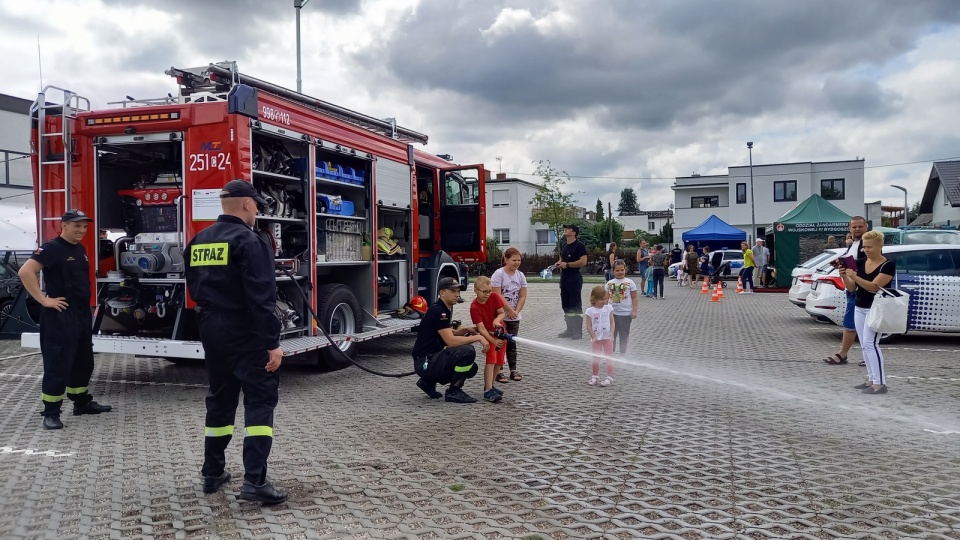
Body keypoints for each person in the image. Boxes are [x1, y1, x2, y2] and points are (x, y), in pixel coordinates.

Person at [184, 179, 286, 504]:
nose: (257, 210)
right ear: (246, 204)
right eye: (256, 204)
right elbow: (262, 299)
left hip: (211, 328)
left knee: (220, 399)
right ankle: (255, 482)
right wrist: (272, 343)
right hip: (246, 331)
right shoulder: (250, 241)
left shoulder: (198, 240)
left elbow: (192, 287)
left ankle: (212, 472)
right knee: (260, 401)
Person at [18, 209, 112, 431]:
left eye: (84, 226)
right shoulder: (52, 248)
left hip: (80, 314)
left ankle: (81, 403)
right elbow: (25, 272)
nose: (81, 230)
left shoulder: (80, 249)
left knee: (83, 361)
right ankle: (51, 413)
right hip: (59, 315)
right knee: (58, 363)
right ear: (64, 225)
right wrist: (43, 299)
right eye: (76, 225)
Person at [412, 276, 486, 403]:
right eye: (453, 291)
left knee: (471, 367)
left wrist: (464, 331)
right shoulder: (439, 311)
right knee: (467, 351)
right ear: (442, 292)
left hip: (426, 361)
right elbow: (450, 341)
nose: (457, 294)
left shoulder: (443, 308)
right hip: (425, 362)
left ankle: (427, 382)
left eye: (458, 291)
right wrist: (478, 337)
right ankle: (453, 391)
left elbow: (444, 332)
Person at [841, 230, 894, 394]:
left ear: (880, 246)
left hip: (876, 308)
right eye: (864, 247)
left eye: (870, 246)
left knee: (872, 344)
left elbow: (873, 287)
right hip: (860, 306)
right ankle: (871, 379)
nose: (866, 250)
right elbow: (852, 288)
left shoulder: (888, 265)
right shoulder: (861, 262)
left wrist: (854, 277)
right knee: (864, 345)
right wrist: (844, 276)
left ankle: (880, 383)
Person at [821, 216, 868, 366]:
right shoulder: (853, 244)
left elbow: (867, 263)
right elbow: (852, 263)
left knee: (858, 324)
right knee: (852, 323)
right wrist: (841, 263)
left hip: (862, 288)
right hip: (852, 287)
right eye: (854, 227)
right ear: (849, 229)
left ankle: (849, 355)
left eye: (860, 226)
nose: (857, 229)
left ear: (866, 227)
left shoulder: (867, 244)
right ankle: (846, 354)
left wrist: (848, 267)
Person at [491, 247, 527, 383]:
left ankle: (513, 369)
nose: (517, 263)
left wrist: (516, 311)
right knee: (500, 343)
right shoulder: (498, 274)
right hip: (500, 316)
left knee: (512, 343)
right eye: (514, 260)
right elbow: (497, 294)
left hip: (514, 316)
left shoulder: (521, 276)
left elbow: (522, 296)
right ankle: (499, 371)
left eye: (519, 260)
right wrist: (509, 310)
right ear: (506, 260)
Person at [470, 276, 506, 403]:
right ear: (476, 290)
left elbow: (502, 313)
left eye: (489, 291)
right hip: (489, 337)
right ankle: (487, 390)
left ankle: (492, 385)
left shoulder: (494, 297)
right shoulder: (474, 307)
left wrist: (497, 320)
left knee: (499, 361)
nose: (488, 294)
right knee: (491, 361)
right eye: (484, 291)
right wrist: (493, 341)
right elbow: (481, 328)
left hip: (501, 334)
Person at [555, 224, 588, 339]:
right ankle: (569, 329)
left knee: (575, 304)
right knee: (566, 304)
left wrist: (568, 265)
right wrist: (559, 263)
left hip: (574, 278)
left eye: (568, 228)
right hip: (564, 278)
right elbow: (562, 259)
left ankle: (577, 331)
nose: (565, 230)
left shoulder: (579, 246)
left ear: (573, 233)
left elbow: (583, 261)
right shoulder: (564, 245)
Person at [605, 259, 637, 354]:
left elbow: (634, 298)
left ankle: (623, 354)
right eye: (617, 270)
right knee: (611, 335)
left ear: (625, 270)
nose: (620, 272)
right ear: (613, 271)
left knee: (624, 335)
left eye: (622, 270)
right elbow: (605, 298)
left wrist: (634, 310)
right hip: (612, 315)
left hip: (625, 314)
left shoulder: (630, 283)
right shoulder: (609, 283)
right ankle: (610, 353)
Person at [585, 286, 615, 386]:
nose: (605, 301)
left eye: (606, 299)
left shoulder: (609, 308)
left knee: (609, 357)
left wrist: (611, 333)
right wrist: (593, 336)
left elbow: (612, 321)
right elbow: (588, 326)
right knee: (596, 358)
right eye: (601, 299)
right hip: (597, 339)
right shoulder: (590, 311)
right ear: (594, 298)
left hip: (607, 338)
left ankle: (610, 377)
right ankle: (595, 376)